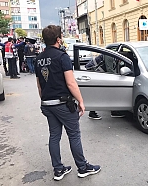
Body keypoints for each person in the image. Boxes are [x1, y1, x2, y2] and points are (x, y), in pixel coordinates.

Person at [35, 25, 101, 181]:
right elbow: (71, 83)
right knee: (74, 135)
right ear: (58, 39)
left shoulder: (39, 59)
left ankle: (58, 170)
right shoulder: (62, 56)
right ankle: (83, 167)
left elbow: (39, 85)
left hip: (47, 103)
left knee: (54, 136)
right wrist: (81, 101)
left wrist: (44, 101)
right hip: (63, 103)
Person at [85, 54, 126, 119]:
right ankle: (92, 112)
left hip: (99, 72)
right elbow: (110, 69)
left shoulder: (114, 58)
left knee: (109, 91)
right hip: (93, 71)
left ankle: (114, 111)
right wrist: (118, 77)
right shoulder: (109, 56)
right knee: (98, 92)